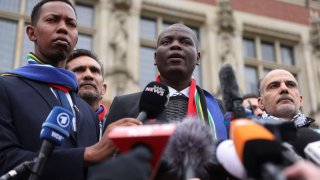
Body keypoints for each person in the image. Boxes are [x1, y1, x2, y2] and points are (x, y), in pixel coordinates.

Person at [0, 1, 141, 179]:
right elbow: (5, 161)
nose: (63, 28)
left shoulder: (86, 111)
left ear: (76, 38)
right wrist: (87, 154)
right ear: (32, 33)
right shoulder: (6, 88)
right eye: (52, 20)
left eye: (71, 24)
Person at [105, 23, 228, 179]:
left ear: (197, 58)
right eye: (166, 42)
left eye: (185, 42)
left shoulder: (220, 110)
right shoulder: (123, 105)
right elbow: (106, 164)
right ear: (155, 57)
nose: (175, 45)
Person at [66, 49, 107, 140]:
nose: (88, 75)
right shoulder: (53, 120)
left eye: (94, 70)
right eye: (79, 70)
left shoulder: (117, 129)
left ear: (103, 88)